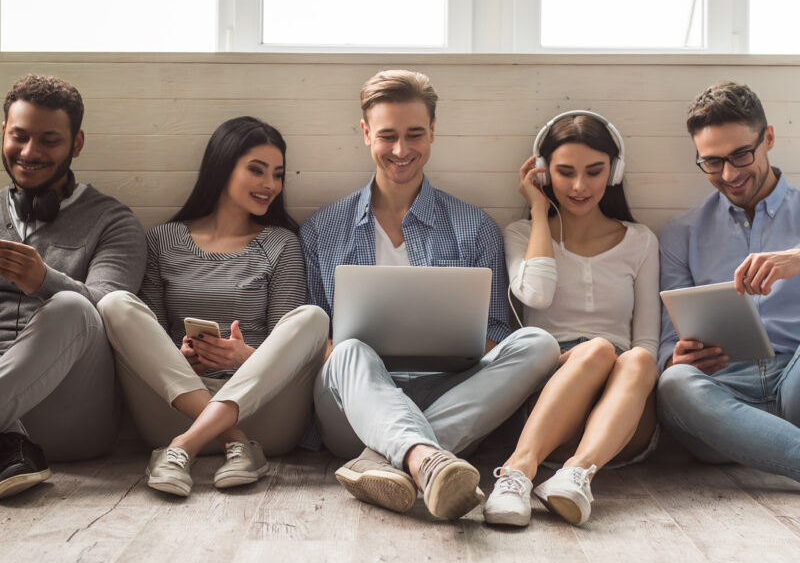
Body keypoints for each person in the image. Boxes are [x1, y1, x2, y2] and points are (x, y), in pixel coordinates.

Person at [300, 69, 560, 521]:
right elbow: (311, 340)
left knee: (538, 343)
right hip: (355, 410)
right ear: (365, 134)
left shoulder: (473, 227)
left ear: (433, 131)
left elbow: (498, 331)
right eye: (388, 136)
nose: (401, 151)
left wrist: (460, 339)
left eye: (414, 134)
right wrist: (347, 352)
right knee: (348, 351)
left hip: (448, 397)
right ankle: (426, 460)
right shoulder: (322, 230)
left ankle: (391, 461)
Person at [97, 116, 329, 497]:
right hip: (173, 411)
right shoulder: (162, 240)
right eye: (257, 170)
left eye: (278, 174)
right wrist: (182, 356)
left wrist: (242, 357)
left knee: (313, 318)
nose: (270, 184)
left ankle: (184, 449)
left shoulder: (281, 244)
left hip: (263, 416)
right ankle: (233, 442)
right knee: (116, 303)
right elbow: (150, 342)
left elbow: (287, 355)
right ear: (222, 167)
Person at [483, 111, 660, 527]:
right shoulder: (522, 234)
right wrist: (540, 212)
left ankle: (577, 475)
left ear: (614, 172)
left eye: (594, 172)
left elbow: (648, 344)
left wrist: (620, 366)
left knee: (638, 359)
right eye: (565, 172)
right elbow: (537, 294)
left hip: (620, 420)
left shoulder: (641, 241)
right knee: (595, 349)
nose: (580, 186)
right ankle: (517, 473)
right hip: (547, 392)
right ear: (544, 173)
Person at [0, 74, 146, 499]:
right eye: (19, 137)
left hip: (70, 414)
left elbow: (113, 311)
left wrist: (44, 281)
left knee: (73, 307)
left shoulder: (114, 222)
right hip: (9, 423)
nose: (30, 152)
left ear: (76, 144)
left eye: (48, 140)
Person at [657, 81, 800, 482]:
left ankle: (767, 445)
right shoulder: (681, 232)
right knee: (674, 383)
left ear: (768, 137)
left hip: (796, 382)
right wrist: (676, 356)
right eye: (713, 162)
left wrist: (796, 259)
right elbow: (670, 338)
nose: (730, 174)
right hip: (720, 396)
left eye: (741, 155)